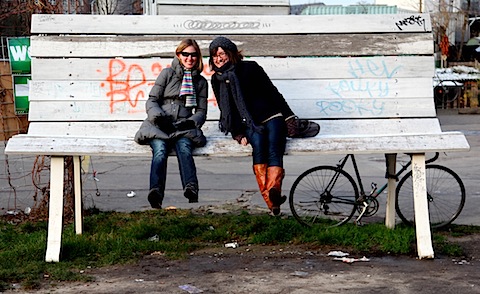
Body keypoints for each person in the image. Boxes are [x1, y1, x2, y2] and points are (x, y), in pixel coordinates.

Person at [208, 36, 298, 215]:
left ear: (231, 54)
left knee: (274, 149)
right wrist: (238, 133)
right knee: (259, 147)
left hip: (272, 116)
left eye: (222, 54)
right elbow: (226, 109)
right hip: (250, 123)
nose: (219, 58)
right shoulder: (216, 79)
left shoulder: (251, 68)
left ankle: (273, 197)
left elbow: (272, 92)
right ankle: (273, 201)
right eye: (215, 55)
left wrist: (288, 116)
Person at [135, 39, 208, 209]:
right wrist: (160, 118)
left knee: (184, 148)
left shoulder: (201, 82)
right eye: (186, 54)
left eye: (193, 55)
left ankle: (191, 188)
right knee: (160, 150)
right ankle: (156, 193)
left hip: (183, 127)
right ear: (178, 55)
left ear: (198, 57)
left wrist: (190, 122)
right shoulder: (167, 74)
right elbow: (152, 101)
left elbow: (201, 112)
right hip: (160, 125)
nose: (189, 58)